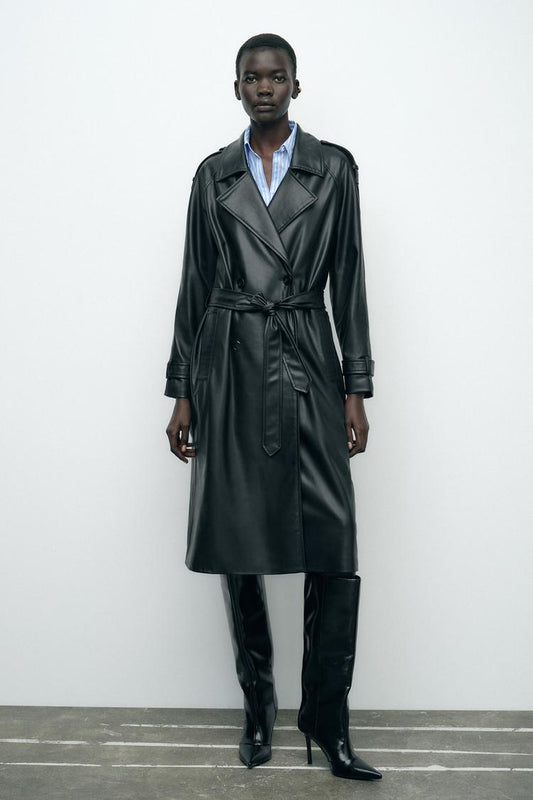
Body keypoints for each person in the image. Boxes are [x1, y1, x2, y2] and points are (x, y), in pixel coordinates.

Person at [164, 33, 381, 781]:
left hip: (307, 358)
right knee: (238, 543)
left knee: (334, 543)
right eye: (252, 77)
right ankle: (258, 707)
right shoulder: (213, 175)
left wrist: (355, 386)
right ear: (236, 88)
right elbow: (195, 284)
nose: (264, 87)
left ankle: (327, 717)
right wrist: (182, 390)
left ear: (295, 85)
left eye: (276, 76)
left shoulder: (334, 169)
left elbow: (348, 276)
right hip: (230, 364)